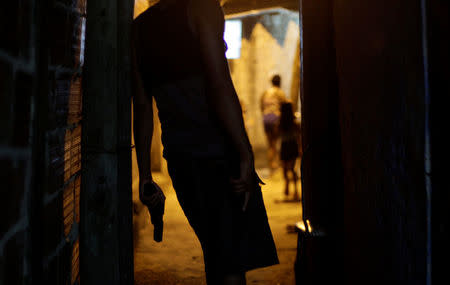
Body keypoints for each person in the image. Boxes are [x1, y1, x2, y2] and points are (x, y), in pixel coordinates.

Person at [131, 0, 279, 284]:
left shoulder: (139, 29)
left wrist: (146, 176)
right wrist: (245, 154)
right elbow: (219, 83)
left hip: (180, 158)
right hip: (218, 153)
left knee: (216, 251)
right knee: (231, 259)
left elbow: (142, 106)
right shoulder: (201, 8)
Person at [260, 74, 287, 171]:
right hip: (275, 118)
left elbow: (261, 106)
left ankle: (271, 165)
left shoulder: (266, 93)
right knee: (276, 142)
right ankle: (276, 166)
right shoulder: (280, 93)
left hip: (266, 118)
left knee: (270, 144)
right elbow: (284, 107)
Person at [279, 102, 301, 201]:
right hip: (292, 145)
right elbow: (299, 135)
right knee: (292, 169)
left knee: (284, 168)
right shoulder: (294, 123)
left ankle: (287, 185)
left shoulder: (280, 123)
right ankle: (296, 190)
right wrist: (300, 148)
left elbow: (277, 134)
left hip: (284, 146)